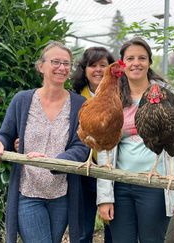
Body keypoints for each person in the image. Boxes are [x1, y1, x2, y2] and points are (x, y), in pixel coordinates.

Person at [0, 41, 90, 243]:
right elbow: (5, 133)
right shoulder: (22, 100)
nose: (62, 68)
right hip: (28, 192)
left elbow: (81, 145)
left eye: (66, 63)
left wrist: (55, 161)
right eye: (55, 62)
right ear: (41, 66)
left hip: (61, 195)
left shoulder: (79, 104)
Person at [96, 37, 174, 243]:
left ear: (149, 62)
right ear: (122, 63)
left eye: (142, 57)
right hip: (120, 184)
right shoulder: (113, 98)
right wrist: (104, 197)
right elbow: (104, 146)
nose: (136, 63)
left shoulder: (166, 97)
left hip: (155, 185)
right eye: (130, 58)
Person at [70, 46, 115, 243]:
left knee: (113, 227)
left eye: (103, 65)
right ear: (84, 69)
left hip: (113, 170)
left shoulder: (120, 95)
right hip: (84, 171)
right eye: (92, 65)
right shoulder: (75, 97)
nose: (98, 70)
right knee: (82, 230)